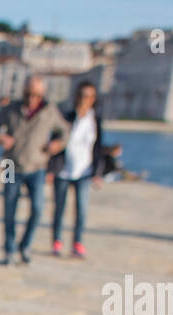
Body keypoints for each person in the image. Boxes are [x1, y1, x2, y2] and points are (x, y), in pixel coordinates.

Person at [0, 76, 69, 265]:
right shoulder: (11, 109)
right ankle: (9, 249)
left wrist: (57, 144)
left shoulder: (50, 112)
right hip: (11, 165)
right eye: (28, 94)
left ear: (42, 95)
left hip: (38, 166)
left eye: (36, 95)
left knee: (37, 209)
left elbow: (65, 132)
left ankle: (25, 245)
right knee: (9, 209)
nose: (31, 99)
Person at [47, 80, 107, 258]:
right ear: (76, 97)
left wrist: (98, 173)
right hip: (63, 170)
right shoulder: (66, 117)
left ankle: (77, 242)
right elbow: (55, 142)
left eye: (88, 96)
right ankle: (57, 240)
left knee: (81, 209)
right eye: (81, 95)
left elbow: (98, 148)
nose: (84, 100)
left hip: (84, 172)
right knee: (60, 207)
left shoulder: (95, 120)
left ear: (94, 99)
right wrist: (50, 169)